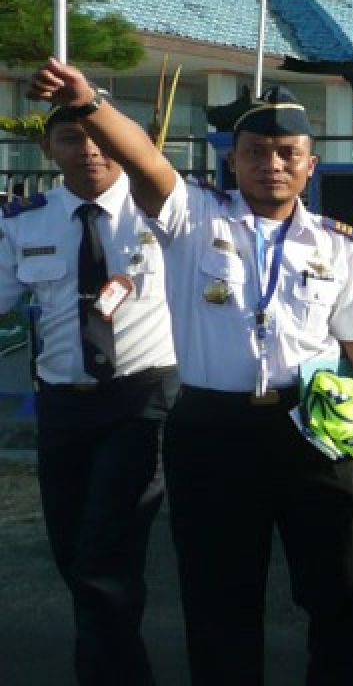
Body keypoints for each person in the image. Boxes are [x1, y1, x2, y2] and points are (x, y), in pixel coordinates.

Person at [28, 58, 353, 686]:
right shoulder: (194, 220)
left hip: (314, 429)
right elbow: (147, 163)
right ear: (233, 160)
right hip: (213, 431)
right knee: (219, 598)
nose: (273, 163)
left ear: (310, 164)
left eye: (289, 152)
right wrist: (89, 102)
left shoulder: (340, 245)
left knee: (347, 584)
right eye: (257, 151)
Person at [0, 100, 178, 685]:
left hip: (139, 400)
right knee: (73, 553)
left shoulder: (163, 213)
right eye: (72, 138)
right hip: (62, 405)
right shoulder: (24, 221)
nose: (89, 149)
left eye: (99, 134)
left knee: (104, 557)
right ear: (49, 149)